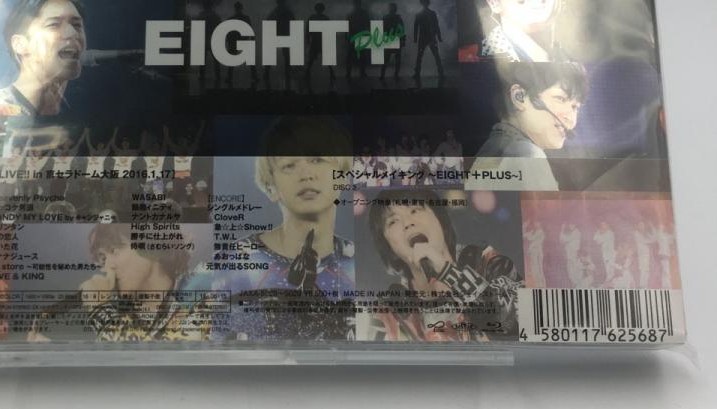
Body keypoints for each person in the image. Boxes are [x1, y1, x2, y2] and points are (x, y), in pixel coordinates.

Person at [205, 116, 356, 341]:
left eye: (317, 159)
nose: (306, 175)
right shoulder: (231, 264)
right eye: (289, 165)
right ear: (271, 187)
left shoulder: (357, 263)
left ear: (342, 177)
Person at [364, 188, 523, 342]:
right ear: (388, 246)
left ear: (440, 220)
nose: (407, 223)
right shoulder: (390, 312)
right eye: (393, 221)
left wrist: (448, 272)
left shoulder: (488, 264)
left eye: (415, 210)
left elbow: (514, 325)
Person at [28, 223, 211, 342]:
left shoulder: (203, 293)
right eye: (103, 257)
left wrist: (98, 310)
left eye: (114, 251)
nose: (107, 266)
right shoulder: (122, 313)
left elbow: (153, 363)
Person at [471, 62, 588, 191]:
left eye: (575, 107)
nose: (571, 119)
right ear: (519, 97)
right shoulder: (527, 154)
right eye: (560, 99)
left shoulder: (496, 147)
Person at [0, 0, 87, 118]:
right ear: (20, 44)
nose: (73, 33)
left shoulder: (79, 115)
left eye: (77, 25)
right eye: (53, 25)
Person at [412, 0, 444, 87]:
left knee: (428, 55)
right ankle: (440, 72)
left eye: (425, 2)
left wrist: (439, 36)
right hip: (427, 37)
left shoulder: (423, 14)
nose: (425, 4)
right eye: (424, 2)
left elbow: (436, 25)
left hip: (428, 37)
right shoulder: (428, 13)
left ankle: (418, 73)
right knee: (425, 56)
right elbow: (416, 27)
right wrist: (439, 37)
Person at [305, 2, 336, 87]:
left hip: (318, 40)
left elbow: (308, 29)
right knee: (315, 59)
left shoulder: (313, 17)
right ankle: (332, 73)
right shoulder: (324, 18)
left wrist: (308, 38)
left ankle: (307, 73)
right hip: (319, 40)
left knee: (312, 59)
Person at [345, 0, 371, 81]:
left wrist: (347, 37)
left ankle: (349, 73)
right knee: (361, 55)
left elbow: (347, 26)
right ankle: (361, 72)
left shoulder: (351, 14)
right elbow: (368, 25)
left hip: (354, 36)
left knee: (351, 56)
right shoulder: (363, 13)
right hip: (359, 36)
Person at [379, 2, 405, 82]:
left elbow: (402, 29)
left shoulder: (389, 17)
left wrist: (403, 39)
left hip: (392, 39)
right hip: (391, 39)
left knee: (390, 58)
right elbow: (402, 29)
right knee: (389, 58)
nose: (391, 9)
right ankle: (387, 74)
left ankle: (386, 74)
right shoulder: (396, 18)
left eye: (391, 7)